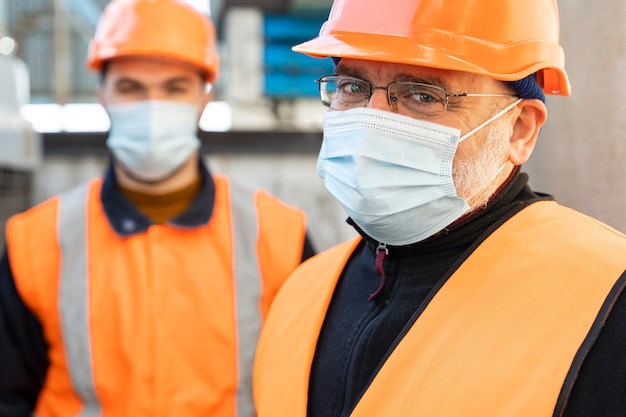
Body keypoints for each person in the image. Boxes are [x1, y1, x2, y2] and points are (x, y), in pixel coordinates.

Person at [253, 0, 626, 416]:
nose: (371, 122)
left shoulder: (608, 296)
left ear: (519, 129)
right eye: (352, 88)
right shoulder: (301, 293)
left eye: (422, 95)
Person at [0, 0, 315, 415]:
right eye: (131, 88)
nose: (153, 106)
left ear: (204, 99)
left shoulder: (279, 234)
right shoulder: (36, 240)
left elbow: (309, 383)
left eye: (174, 88)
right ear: (103, 96)